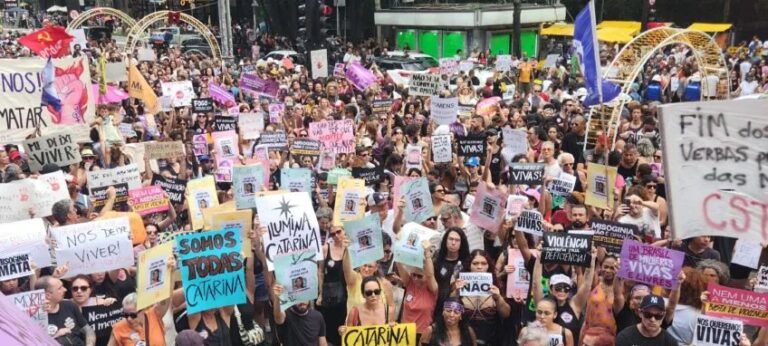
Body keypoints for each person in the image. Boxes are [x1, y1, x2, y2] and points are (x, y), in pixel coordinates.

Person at [35, 276, 96, 346]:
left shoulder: (69, 305)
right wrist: (56, 336)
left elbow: (88, 330)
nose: (65, 289)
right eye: (60, 288)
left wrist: (89, 344)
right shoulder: (36, 318)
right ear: (48, 295)